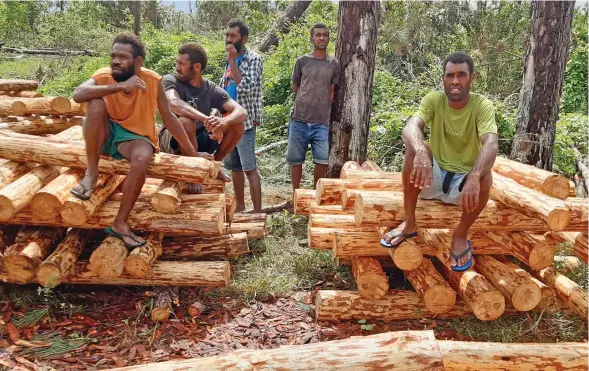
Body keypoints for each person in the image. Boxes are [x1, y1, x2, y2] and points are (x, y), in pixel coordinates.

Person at [71, 32, 200, 248]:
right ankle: (91, 174)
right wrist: (120, 86)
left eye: (123, 57)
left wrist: (193, 155)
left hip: (134, 138)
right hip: (105, 131)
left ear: (138, 62)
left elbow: (169, 118)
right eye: (113, 56)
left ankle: (120, 223)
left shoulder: (152, 80)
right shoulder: (104, 75)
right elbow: (78, 94)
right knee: (95, 104)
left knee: (142, 157)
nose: (116, 61)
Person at [380, 51, 498, 272]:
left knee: (485, 174)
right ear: (443, 78)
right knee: (415, 149)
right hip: (432, 178)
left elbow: (491, 142)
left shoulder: (481, 106)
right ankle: (409, 222)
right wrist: (421, 153)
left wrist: (474, 176)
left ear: (472, 78)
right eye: (450, 75)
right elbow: (410, 127)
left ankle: (460, 235)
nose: (455, 81)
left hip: (463, 188)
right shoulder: (434, 100)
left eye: (461, 75)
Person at [159, 42, 247, 193]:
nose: (177, 67)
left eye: (181, 63)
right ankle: (193, 173)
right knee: (187, 120)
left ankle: (215, 165)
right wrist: (206, 119)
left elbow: (241, 112)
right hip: (173, 140)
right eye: (177, 62)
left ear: (197, 67)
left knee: (238, 125)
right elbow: (174, 103)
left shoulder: (210, 88)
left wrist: (221, 122)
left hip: (198, 139)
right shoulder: (170, 80)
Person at [287, 23, 340, 189]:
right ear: (312, 39)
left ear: (329, 38)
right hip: (299, 120)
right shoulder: (302, 61)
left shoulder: (334, 64)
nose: (322, 37)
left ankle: (315, 194)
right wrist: (304, 99)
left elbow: (332, 90)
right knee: (296, 161)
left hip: (321, 122)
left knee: (322, 161)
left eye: (325, 34)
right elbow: (295, 84)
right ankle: (296, 195)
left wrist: (324, 108)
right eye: (318, 35)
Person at [220, 18, 263, 212]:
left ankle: (258, 212)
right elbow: (224, 89)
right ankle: (240, 207)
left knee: (249, 169)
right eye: (227, 35)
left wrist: (231, 61)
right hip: (228, 121)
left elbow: (243, 87)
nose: (229, 39)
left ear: (244, 38)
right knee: (234, 167)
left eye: (233, 36)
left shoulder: (253, 59)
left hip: (244, 124)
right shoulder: (230, 60)